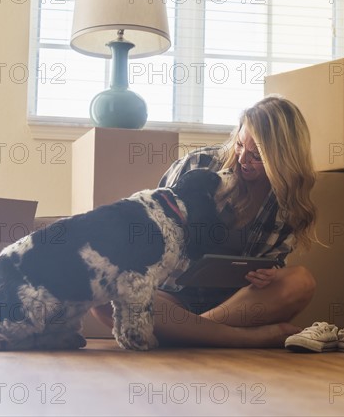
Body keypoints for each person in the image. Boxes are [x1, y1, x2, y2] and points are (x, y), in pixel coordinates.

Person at [91, 95, 318, 347]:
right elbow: (156, 226)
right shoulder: (199, 166)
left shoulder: (287, 195)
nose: (243, 160)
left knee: (301, 281)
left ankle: (192, 333)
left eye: (257, 155)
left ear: (283, 157)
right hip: (171, 294)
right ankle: (239, 339)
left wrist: (269, 274)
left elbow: (277, 261)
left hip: (235, 302)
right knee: (105, 293)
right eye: (240, 146)